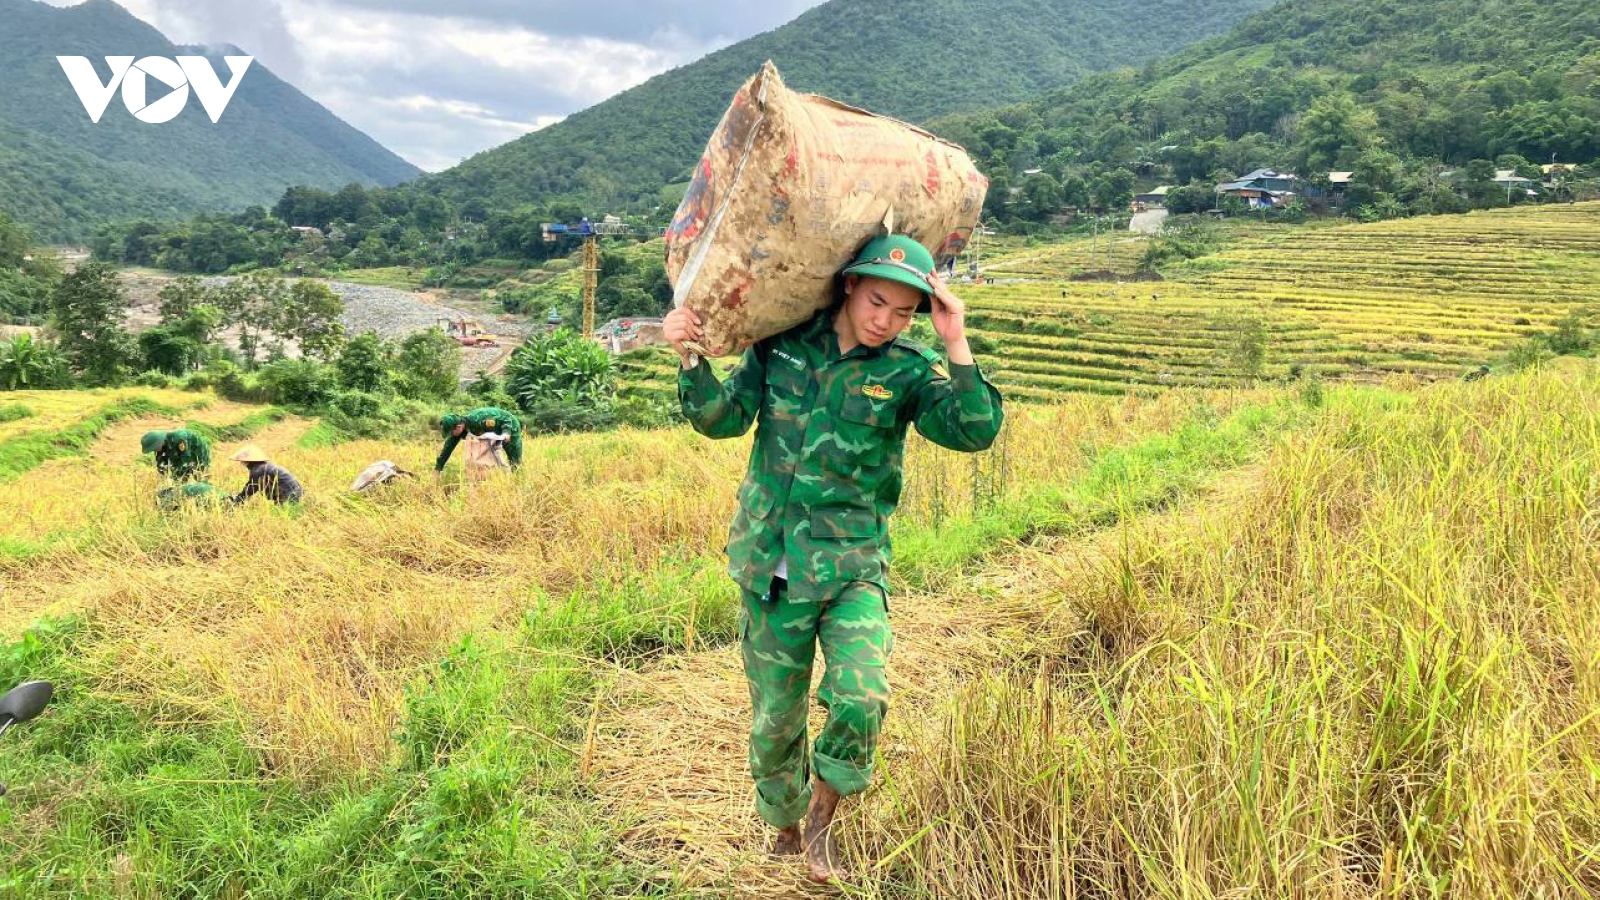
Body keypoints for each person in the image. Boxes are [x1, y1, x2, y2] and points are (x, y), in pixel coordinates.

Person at [663, 233, 1004, 883]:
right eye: (879, 302)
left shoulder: (904, 371)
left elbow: (975, 429)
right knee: (774, 722)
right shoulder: (784, 343)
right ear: (849, 286)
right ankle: (785, 826)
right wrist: (688, 356)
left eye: (904, 313)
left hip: (852, 566)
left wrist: (954, 339)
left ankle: (823, 820)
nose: (887, 321)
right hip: (771, 565)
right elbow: (722, 419)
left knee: (862, 693)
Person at [434, 408, 523, 474]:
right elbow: (447, 448)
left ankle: (518, 480)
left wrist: (506, 433)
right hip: (493, 433)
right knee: (488, 460)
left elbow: (506, 419)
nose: (451, 435)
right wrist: (437, 469)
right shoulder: (458, 431)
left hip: (510, 426)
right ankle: (498, 477)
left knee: (515, 459)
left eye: (451, 432)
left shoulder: (480, 420)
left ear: (458, 427)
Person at [228, 445, 304, 505]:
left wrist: (237, 500)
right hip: (295, 490)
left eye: (243, 461)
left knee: (283, 513)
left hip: (290, 493)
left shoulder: (258, 470)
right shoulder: (263, 467)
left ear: (249, 461)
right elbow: (250, 485)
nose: (242, 463)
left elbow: (251, 488)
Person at [141, 429, 211, 482]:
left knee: (200, 477)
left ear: (159, 442)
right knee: (177, 478)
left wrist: (177, 478)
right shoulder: (161, 447)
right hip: (181, 453)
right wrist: (163, 478)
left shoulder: (179, 439)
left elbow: (186, 461)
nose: (155, 450)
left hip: (198, 452)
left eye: (155, 448)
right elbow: (161, 464)